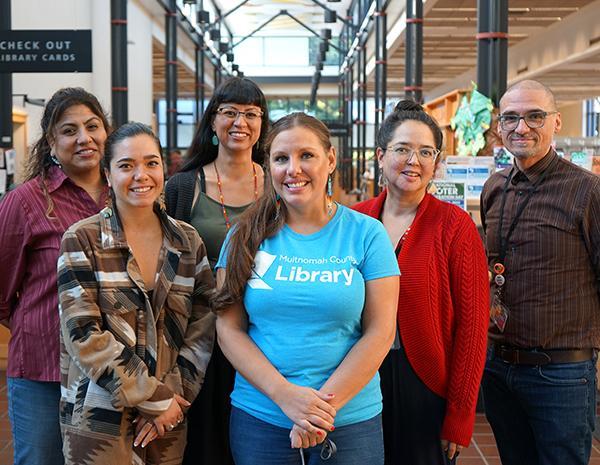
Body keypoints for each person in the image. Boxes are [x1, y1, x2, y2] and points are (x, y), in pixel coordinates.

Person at [213, 112, 400, 465]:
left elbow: (380, 331)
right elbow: (228, 329)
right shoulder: (243, 236)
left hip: (349, 423)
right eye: (281, 158)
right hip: (263, 418)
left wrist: (318, 411)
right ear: (268, 166)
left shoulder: (366, 234)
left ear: (330, 159)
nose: (293, 169)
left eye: (307, 156)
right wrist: (286, 397)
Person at [57, 123, 216, 464]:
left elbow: (204, 324)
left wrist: (171, 398)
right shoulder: (82, 239)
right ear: (108, 174)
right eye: (126, 165)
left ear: (163, 169)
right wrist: (153, 398)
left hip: (169, 418)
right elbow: (83, 333)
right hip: (99, 418)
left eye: (151, 163)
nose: (141, 175)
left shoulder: (188, 242)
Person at [353, 101, 489, 465]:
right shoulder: (354, 221)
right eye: (402, 149)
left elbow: (473, 329)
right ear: (380, 156)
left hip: (426, 384)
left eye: (425, 151)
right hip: (359, 377)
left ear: (437, 162)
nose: (414, 161)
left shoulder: (455, 226)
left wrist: (461, 415)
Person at [480, 80, 600, 465]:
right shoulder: (494, 188)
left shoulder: (587, 192)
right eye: (511, 118)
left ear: (556, 122)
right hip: (500, 367)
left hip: (562, 373)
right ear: (499, 126)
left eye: (535, 116)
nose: (521, 127)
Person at [0, 87, 110, 465]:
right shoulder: (26, 201)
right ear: (51, 141)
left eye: (92, 126)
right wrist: (45, 328)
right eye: (69, 130)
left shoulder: (125, 194)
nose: (84, 138)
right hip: (41, 369)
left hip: (111, 372)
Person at [165, 76, 268, 465]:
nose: (240, 122)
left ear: (261, 125)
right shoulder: (182, 186)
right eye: (229, 112)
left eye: (251, 114)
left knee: (257, 436)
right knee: (206, 441)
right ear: (212, 121)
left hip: (263, 334)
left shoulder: (279, 182)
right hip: (200, 338)